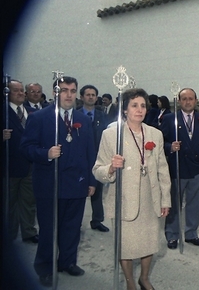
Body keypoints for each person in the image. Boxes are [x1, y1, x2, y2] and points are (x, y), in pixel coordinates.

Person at [20, 76, 96, 287]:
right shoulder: (40, 118)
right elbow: (26, 148)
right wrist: (46, 153)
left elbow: (91, 152)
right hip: (49, 184)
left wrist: (91, 181)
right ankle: (45, 266)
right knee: (48, 229)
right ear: (55, 93)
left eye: (72, 90)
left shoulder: (84, 119)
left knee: (72, 227)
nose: (69, 94)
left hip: (77, 183)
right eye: (64, 90)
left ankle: (67, 262)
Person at [93, 88, 171, 290]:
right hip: (124, 199)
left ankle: (144, 278)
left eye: (143, 105)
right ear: (125, 109)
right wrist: (111, 167)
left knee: (149, 242)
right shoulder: (111, 135)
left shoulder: (156, 134)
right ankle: (129, 281)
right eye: (134, 105)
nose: (139, 110)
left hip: (149, 198)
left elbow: (163, 169)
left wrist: (165, 200)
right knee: (125, 246)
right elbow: (97, 170)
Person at [161, 88, 199, 250]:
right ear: (179, 101)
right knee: (174, 203)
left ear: (196, 101)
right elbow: (160, 141)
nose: (187, 102)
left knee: (195, 203)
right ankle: (172, 234)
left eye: (190, 99)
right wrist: (170, 146)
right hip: (178, 167)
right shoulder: (169, 119)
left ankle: (191, 233)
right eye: (184, 99)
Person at [2, 80, 38, 243]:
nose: (20, 93)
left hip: (29, 165)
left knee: (28, 201)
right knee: (9, 202)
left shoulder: (31, 112)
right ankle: (9, 233)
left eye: (22, 90)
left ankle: (28, 231)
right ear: (8, 93)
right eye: (16, 90)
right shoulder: (4, 112)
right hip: (8, 166)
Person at [78, 84, 109, 232]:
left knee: (97, 190)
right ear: (82, 97)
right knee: (78, 191)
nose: (90, 97)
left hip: (98, 158)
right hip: (79, 159)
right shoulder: (75, 115)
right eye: (88, 94)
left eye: (93, 95)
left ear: (96, 98)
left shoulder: (103, 116)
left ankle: (97, 220)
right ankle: (75, 221)